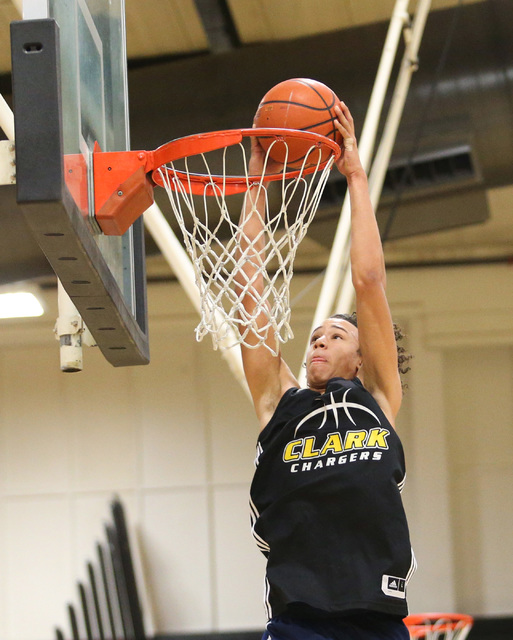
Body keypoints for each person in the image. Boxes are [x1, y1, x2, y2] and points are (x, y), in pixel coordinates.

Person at [237, 102, 416, 640]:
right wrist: (256, 186)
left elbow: (367, 280)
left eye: (336, 335)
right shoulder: (280, 403)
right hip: (300, 621)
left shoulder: (377, 399)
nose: (318, 340)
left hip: (376, 619)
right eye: (315, 335)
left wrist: (355, 173)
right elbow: (252, 292)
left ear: (362, 359)